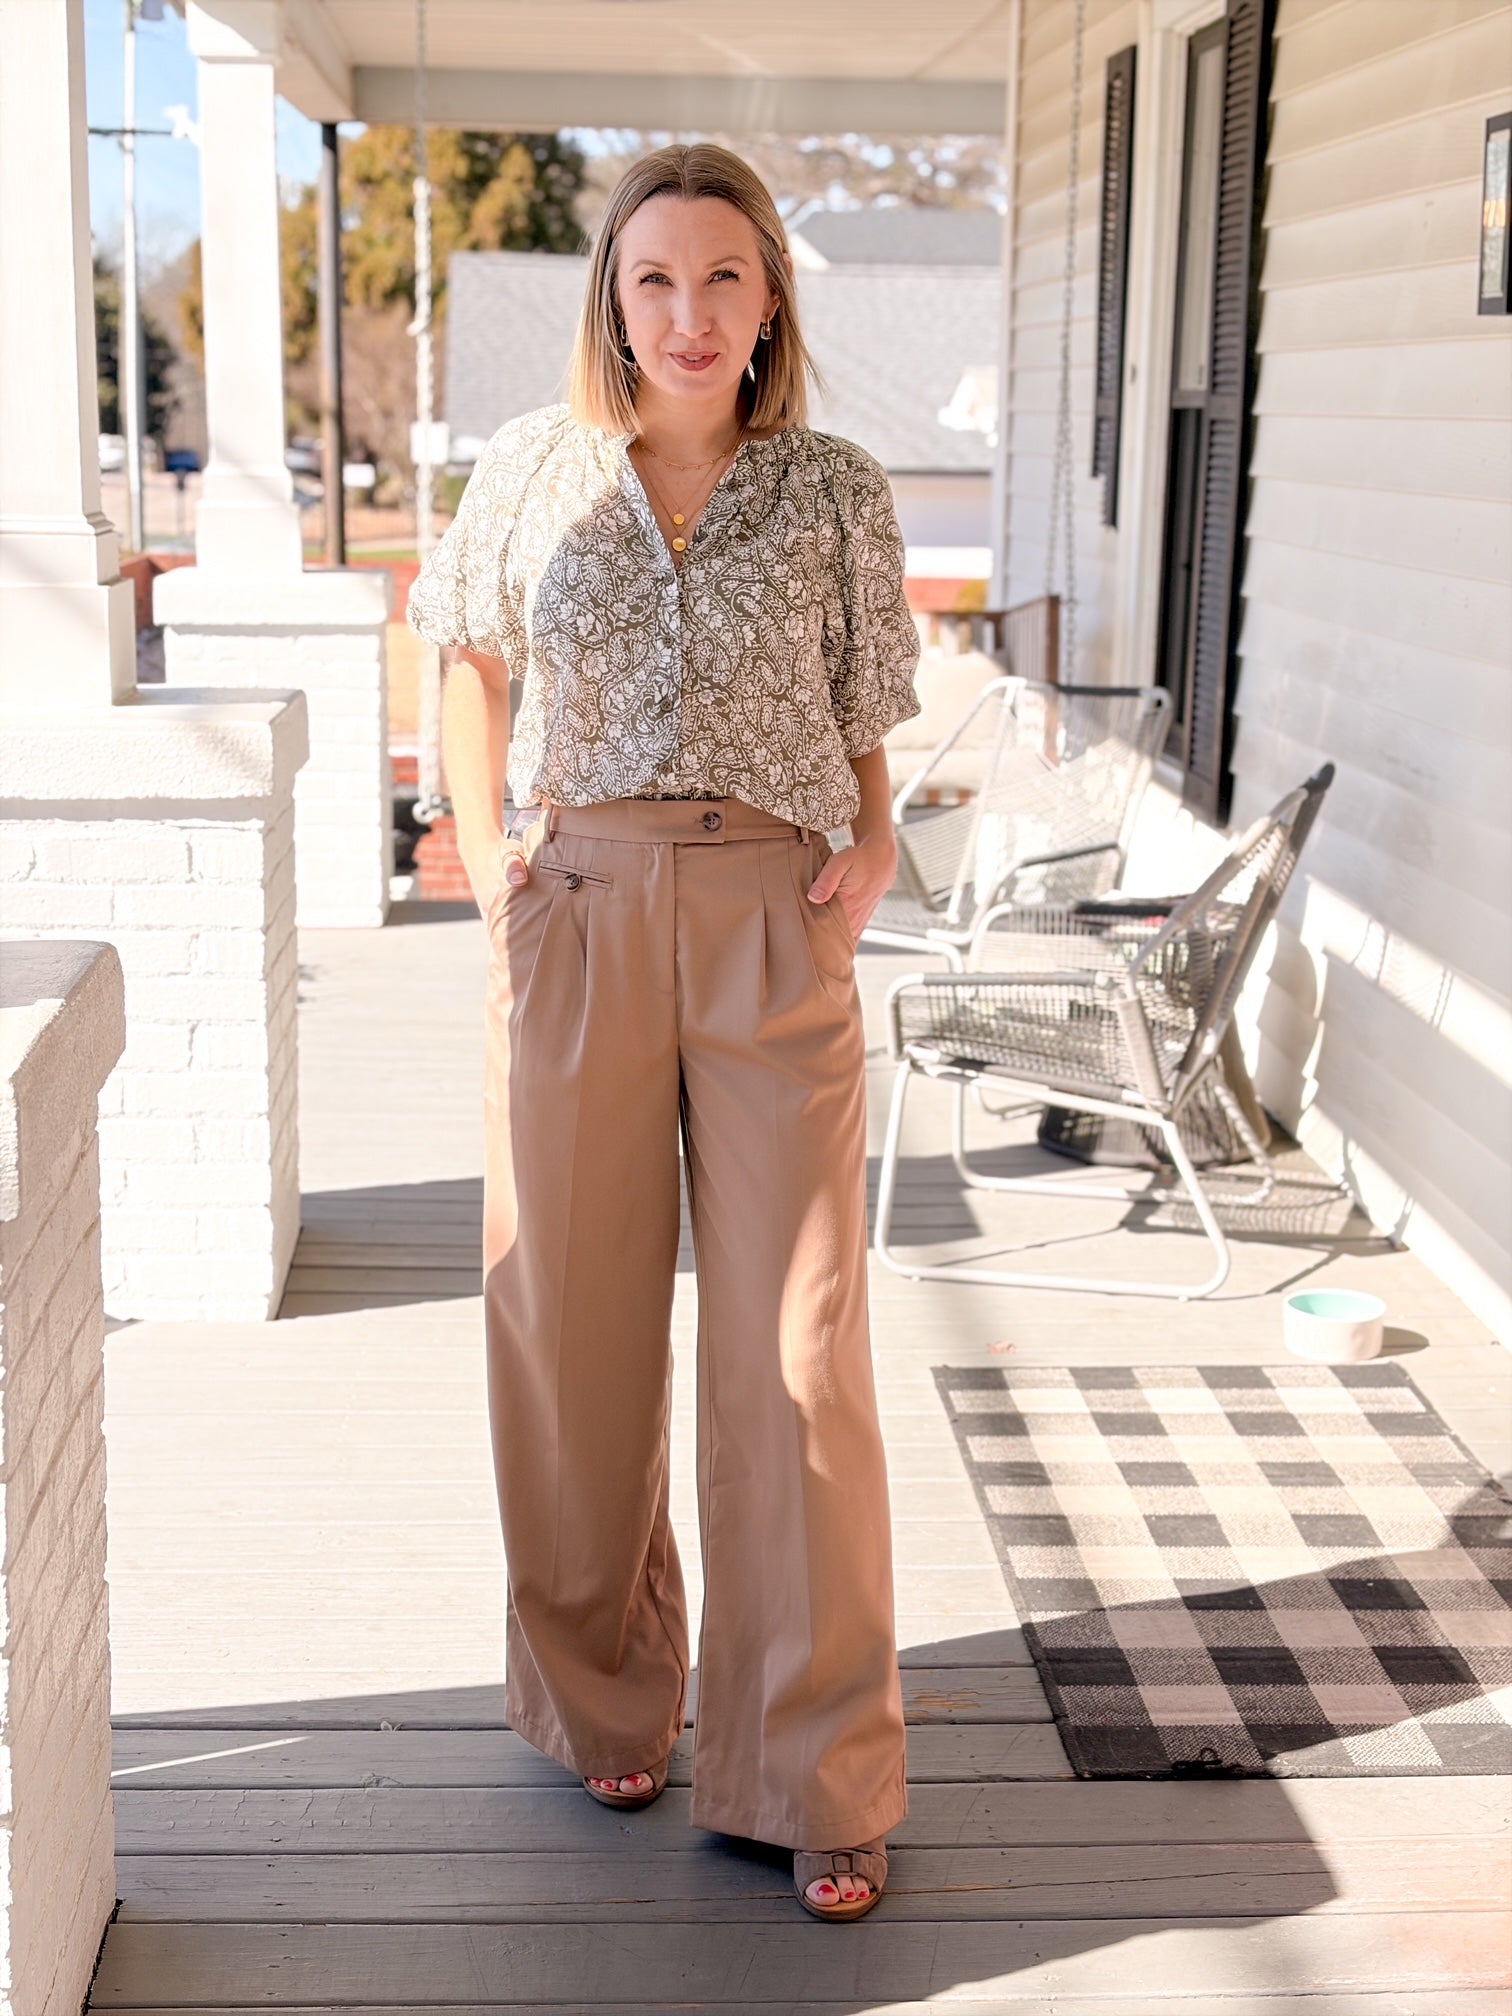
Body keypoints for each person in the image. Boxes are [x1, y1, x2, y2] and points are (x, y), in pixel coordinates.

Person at [407, 141, 922, 1923]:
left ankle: (814, 1766)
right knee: (573, 1319)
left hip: (775, 920)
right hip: (582, 909)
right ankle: (608, 1694)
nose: (689, 313)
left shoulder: (838, 490)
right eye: (654, 280)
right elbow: (465, 663)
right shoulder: (533, 470)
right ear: (610, 300)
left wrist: (871, 845)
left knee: (799, 1355)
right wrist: (489, 867)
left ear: (770, 295)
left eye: (723, 277)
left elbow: (868, 713)